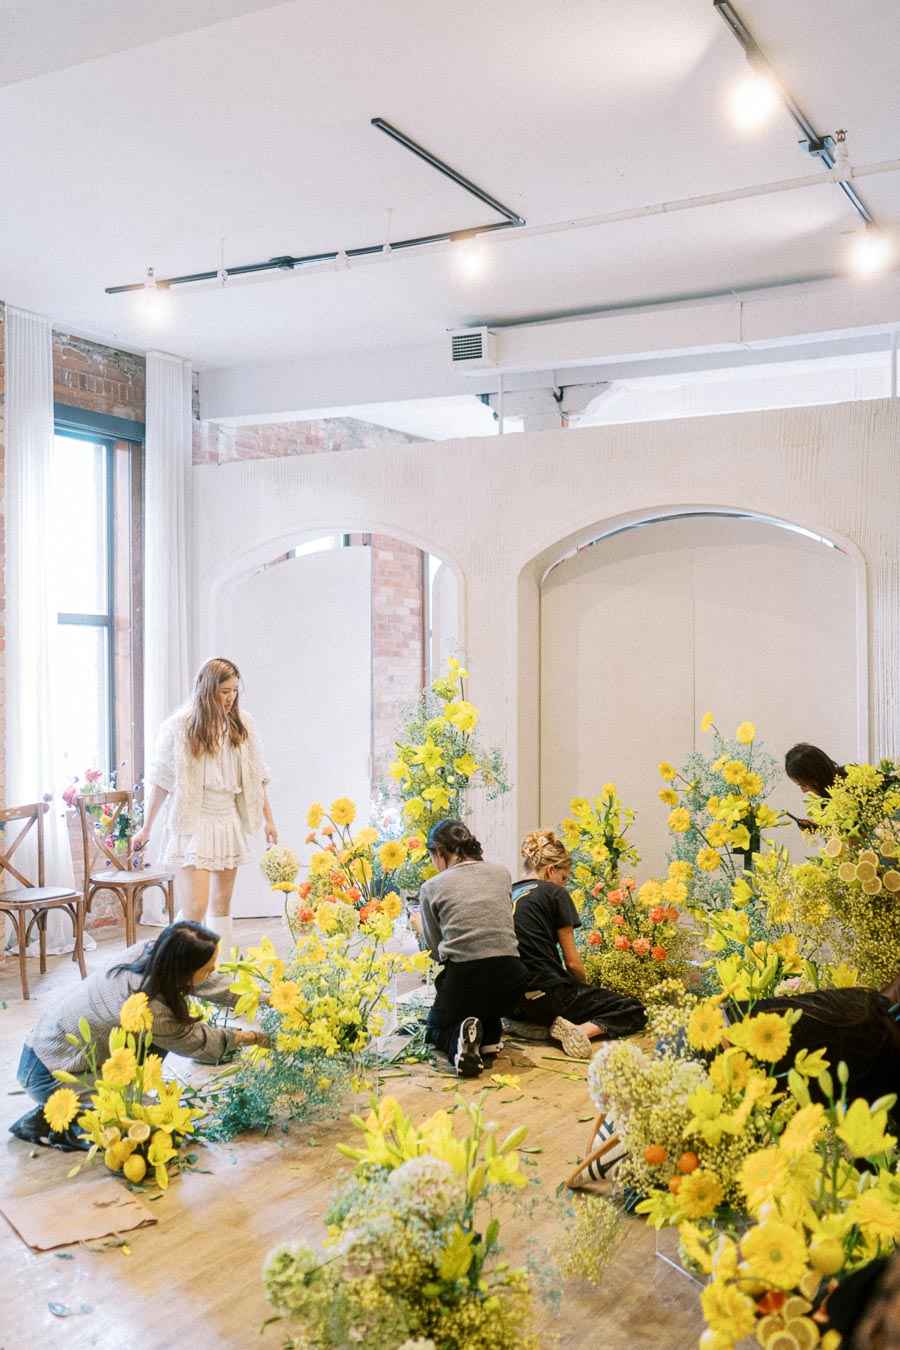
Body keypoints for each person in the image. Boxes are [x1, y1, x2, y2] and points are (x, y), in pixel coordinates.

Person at [9, 920, 268, 1150]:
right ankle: (52, 1125)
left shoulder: (152, 950)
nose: (213, 971)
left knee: (152, 1055)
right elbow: (198, 1042)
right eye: (208, 967)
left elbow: (209, 982)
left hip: (46, 1047)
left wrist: (266, 999)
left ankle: (82, 1106)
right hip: (48, 1072)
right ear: (182, 970)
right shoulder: (150, 1009)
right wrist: (252, 1037)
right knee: (143, 1129)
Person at [131, 657, 277, 957]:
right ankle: (167, 966)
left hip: (227, 820)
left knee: (221, 906)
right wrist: (146, 828)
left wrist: (269, 821)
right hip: (193, 820)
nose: (230, 698)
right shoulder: (179, 727)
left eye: (235, 690)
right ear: (206, 688)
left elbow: (255, 776)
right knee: (195, 907)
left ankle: (218, 972)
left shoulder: (242, 725)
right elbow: (162, 780)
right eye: (224, 691)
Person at [507, 830, 646, 1059]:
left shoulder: (508, 891)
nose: (564, 884)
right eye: (564, 877)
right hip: (548, 997)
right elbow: (572, 962)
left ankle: (533, 1026)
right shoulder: (555, 893)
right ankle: (578, 1031)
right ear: (551, 870)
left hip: (511, 999)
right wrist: (584, 989)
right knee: (633, 1009)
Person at [419, 819, 528, 1078]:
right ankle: (488, 1038)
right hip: (513, 981)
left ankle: (460, 1040)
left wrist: (418, 927)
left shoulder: (431, 887)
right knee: (483, 1001)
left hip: (468, 979)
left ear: (438, 851)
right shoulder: (502, 873)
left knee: (434, 1029)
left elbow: (435, 952)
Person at [785, 743, 846, 830]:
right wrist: (819, 825)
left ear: (816, 775)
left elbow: (854, 833)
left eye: (804, 784)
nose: (803, 790)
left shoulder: (851, 784)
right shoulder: (824, 798)